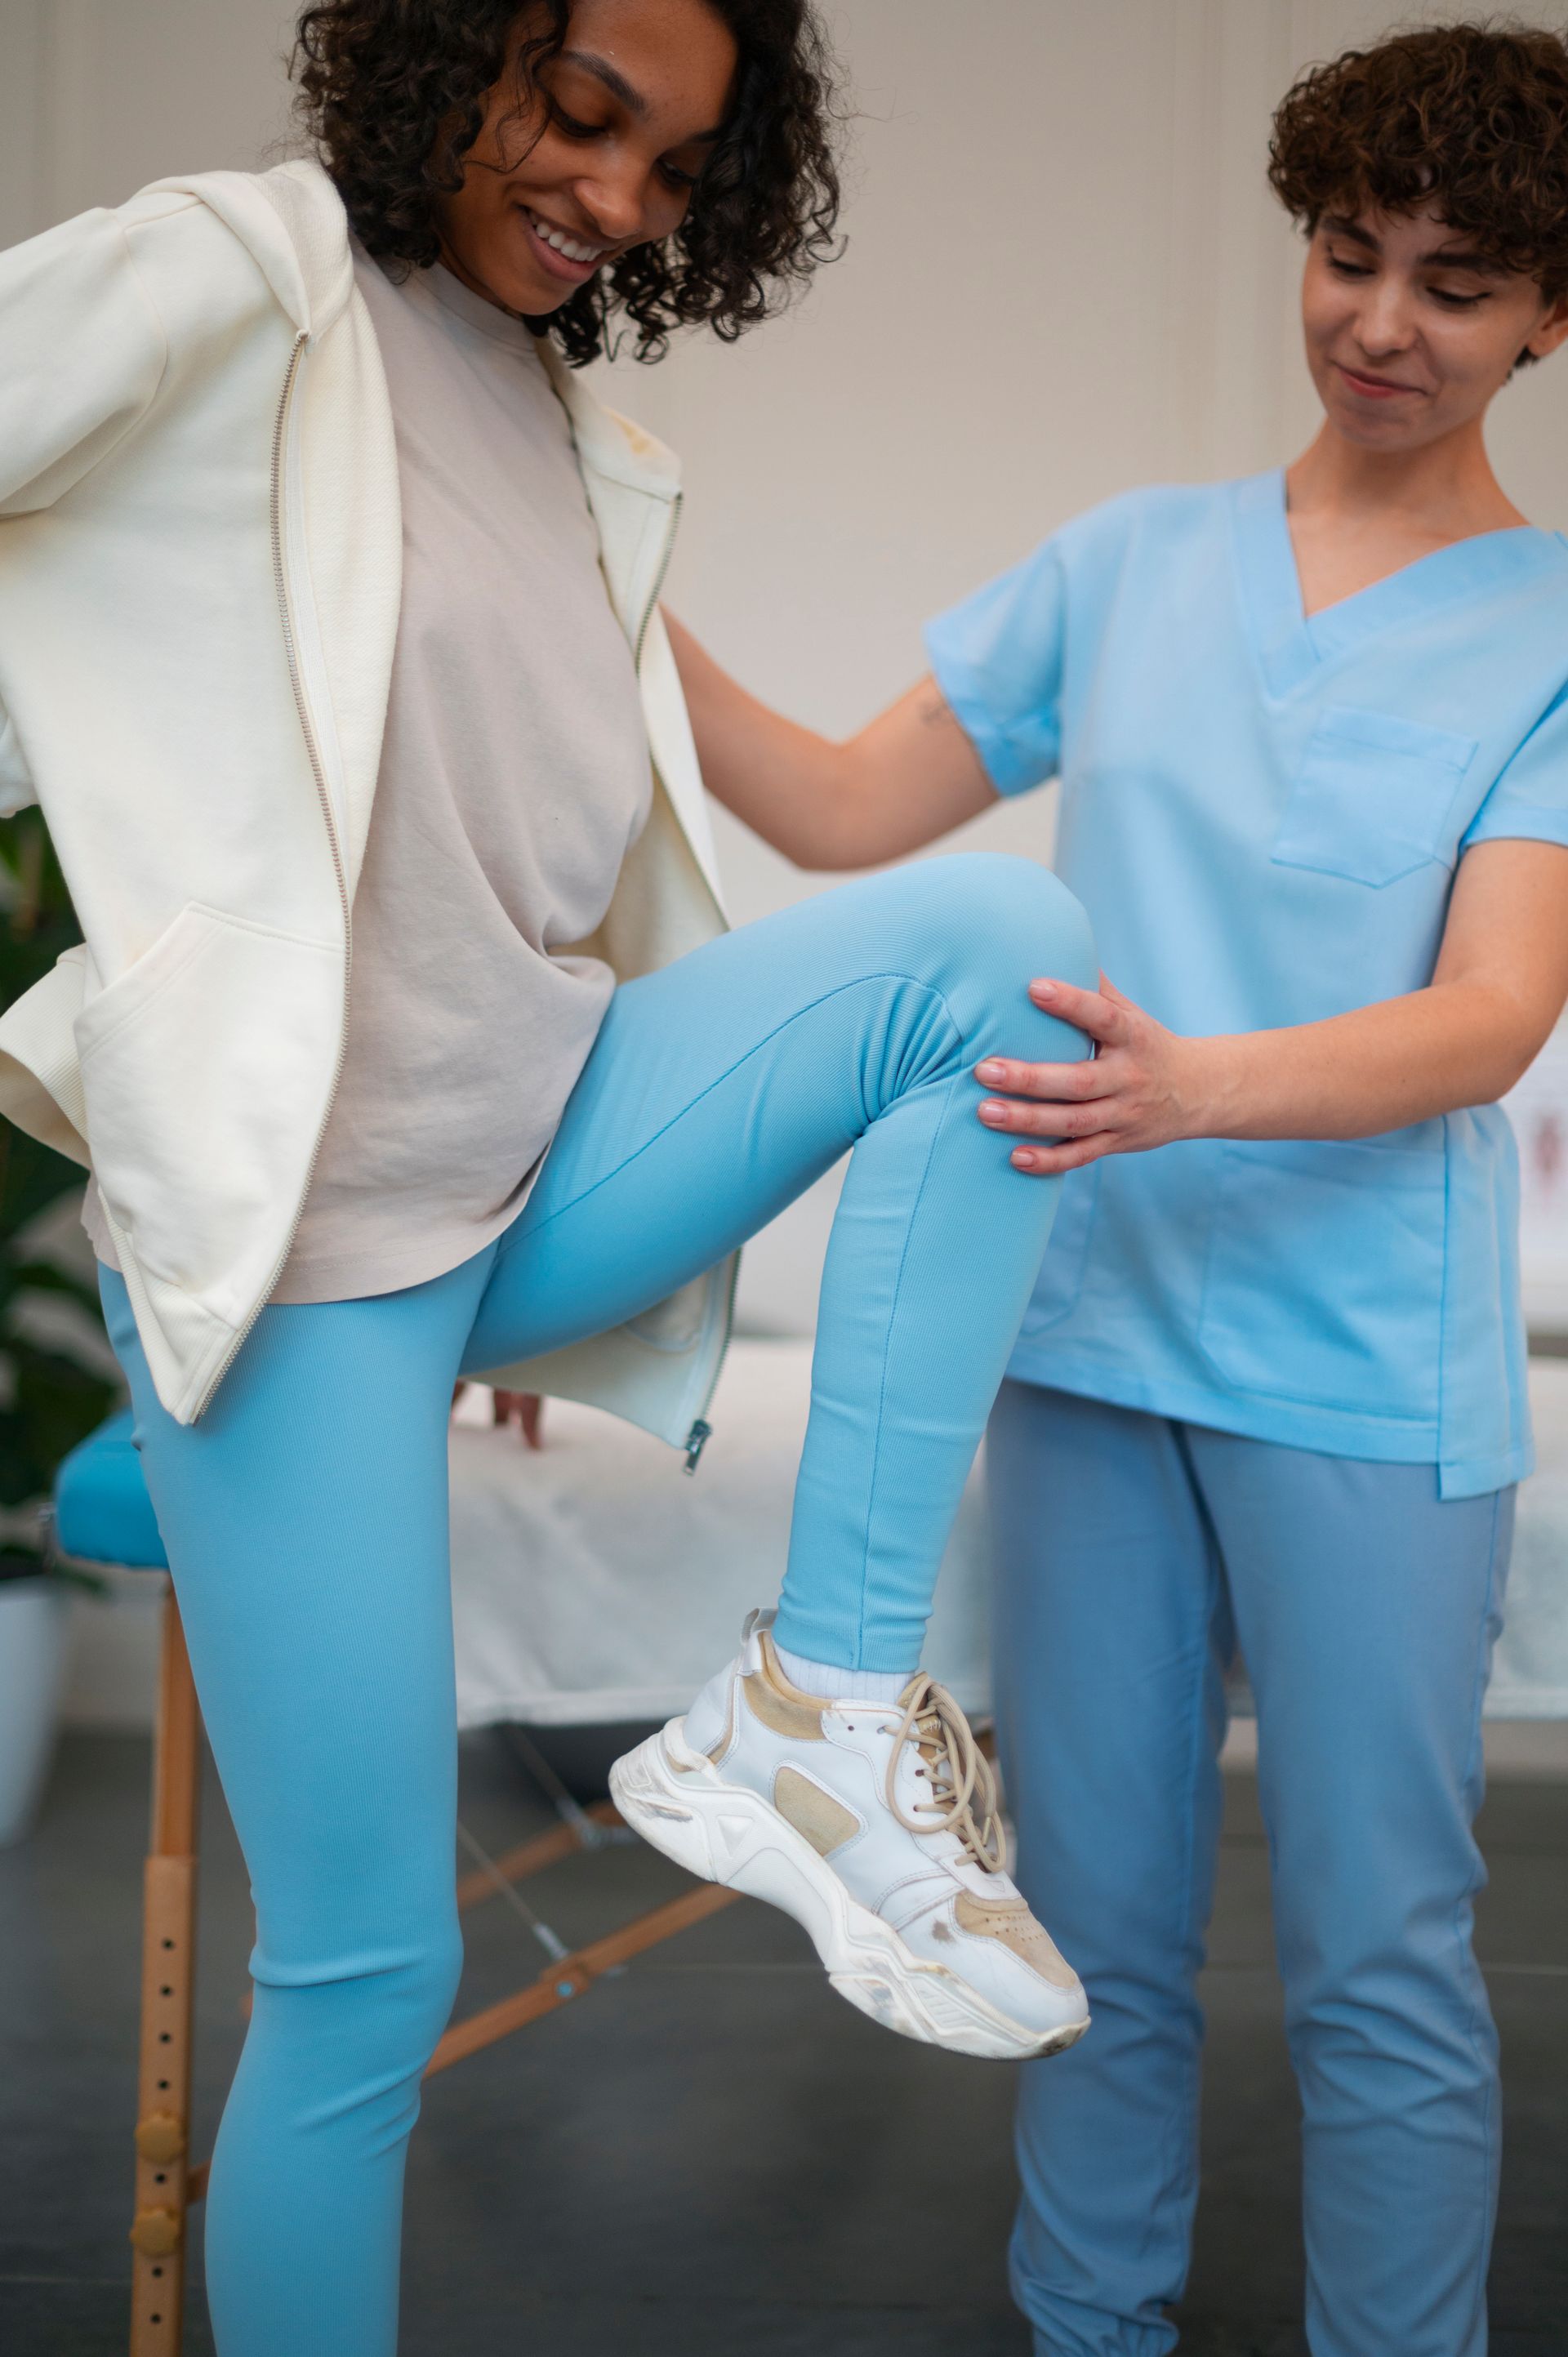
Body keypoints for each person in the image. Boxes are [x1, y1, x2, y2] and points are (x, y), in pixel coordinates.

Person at [0, 5, 1102, 2350]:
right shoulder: (243, 269)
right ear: (440, 57)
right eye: (580, 114)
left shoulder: (578, 431)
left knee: (1010, 952)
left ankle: (819, 1710)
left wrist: (560, 1271)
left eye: (677, 169)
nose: (612, 196)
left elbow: (516, 877)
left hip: (545, 1148)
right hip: (310, 1248)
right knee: (370, 1978)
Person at [666, 22, 1568, 2354]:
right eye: (1349, 257)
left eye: (1456, 287)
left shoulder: (1549, 634)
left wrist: (1197, 1090)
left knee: (1379, 1950)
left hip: (1364, 1370)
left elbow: (1489, 1020)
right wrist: (612, 600)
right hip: (1078, 1345)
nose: (1383, 323)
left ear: (1550, 318)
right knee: (1081, 1930)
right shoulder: (1129, 566)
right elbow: (849, 812)